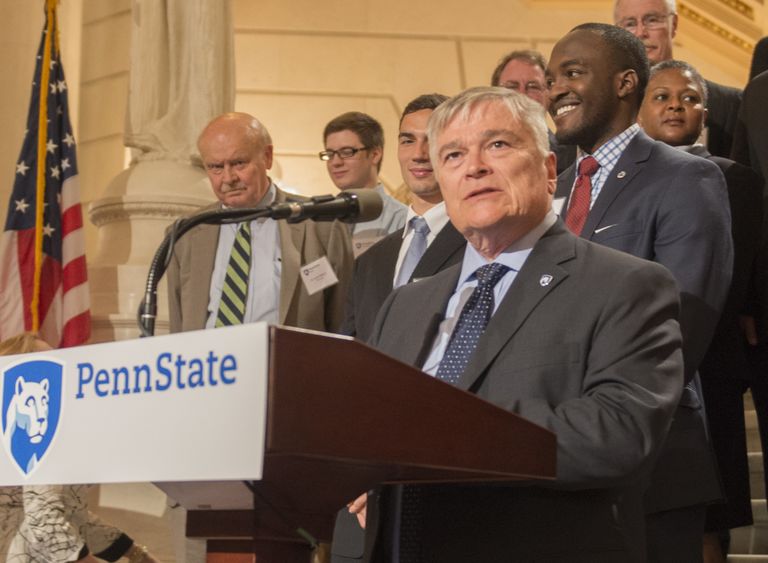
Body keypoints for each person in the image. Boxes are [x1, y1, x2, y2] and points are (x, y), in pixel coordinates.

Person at [348, 86, 683, 563]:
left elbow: (619, 431)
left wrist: (446, 433)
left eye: (498, 145)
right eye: (454, 154)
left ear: (549, 171)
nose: (475, 166)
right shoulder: (405, 304)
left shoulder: (625, 286)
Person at [548, 23, 733, 563]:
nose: (556, 87)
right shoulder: (552, 189)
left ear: (627, 81)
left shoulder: (684, 178)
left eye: (573, 73)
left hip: (649, 462)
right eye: (551, 77)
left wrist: (590, 414)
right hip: (559, 461)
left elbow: (683, 323)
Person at [639, 58, 768, 561]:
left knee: (712, 515)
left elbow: (745, 267)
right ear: (640, 108)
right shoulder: (621, 181)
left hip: (712, 361)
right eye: (663, 96)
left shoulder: (741, 182)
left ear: (707, 112)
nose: (677, 105)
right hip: (643, 359)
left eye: (690, 98)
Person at [166, 112, 353, 334]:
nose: (228, 178)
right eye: (216, 167)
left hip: (288, 364)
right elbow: (179, 328)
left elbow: (342, 323)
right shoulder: (186, 233)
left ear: (267, 156)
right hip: (211, 364)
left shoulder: (321, 225)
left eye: (238, 163)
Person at [0, 332, 159, 563]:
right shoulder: (41, 435)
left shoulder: (16, 433)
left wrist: (133, 552)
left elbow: (70, 511)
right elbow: (45, 518)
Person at [340, 94, 465, 342]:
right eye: (407, 140)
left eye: (431, 140)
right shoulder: (370, 262)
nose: (418, 154)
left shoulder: (480, 244)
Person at [613, 0, 742, 158]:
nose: (641, 32)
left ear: (673, 24)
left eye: (652, 20)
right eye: (630, 24)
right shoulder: (603, 108)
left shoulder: (730, 104)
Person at [321, 112, 407, 255]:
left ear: (375, 155)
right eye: (330, 154)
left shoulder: (400, 218)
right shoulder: (320, 219)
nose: (336, 162)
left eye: (347, 152)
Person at [491, 49, 576, 174]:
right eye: (511, 87)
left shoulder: (572, 157)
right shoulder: (481, 157)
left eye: (533, 87)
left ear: (549, 95)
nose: (522, 94)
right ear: (494, 96)